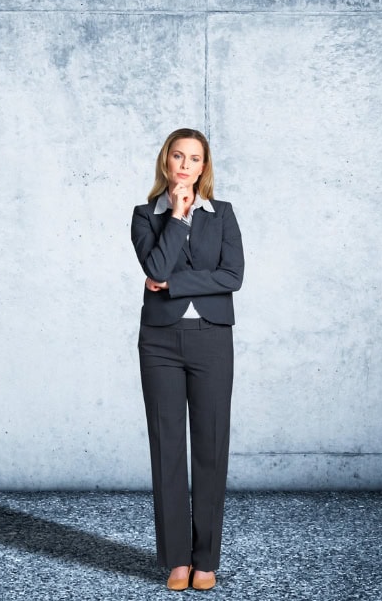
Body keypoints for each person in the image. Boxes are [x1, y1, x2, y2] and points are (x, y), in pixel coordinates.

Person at [130, 128, 244, 591]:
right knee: (168, 449)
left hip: (212, 339)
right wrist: (177, 217)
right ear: (166, 162)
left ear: (204, 167)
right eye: (178, 156)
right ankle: (177, 558)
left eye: (194, 159)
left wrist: (177, 286)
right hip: (159, 341)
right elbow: (154, 268)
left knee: (211, 449)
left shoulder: (224, 215)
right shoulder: (145, 216)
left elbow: (233, 276)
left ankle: (205, 559)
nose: (185, 165)